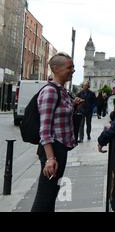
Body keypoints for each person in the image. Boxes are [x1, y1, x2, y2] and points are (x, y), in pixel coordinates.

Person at [31, 53, 83, 212]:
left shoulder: (62, 91)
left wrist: (73, 106)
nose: (73, 70)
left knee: (51, 194)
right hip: (53, 151)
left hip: (60, 149)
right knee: (44, 199)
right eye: (70, 67)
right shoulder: (51, 92)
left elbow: (59, 118)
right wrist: (50, 159)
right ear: (56, 68)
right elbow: (45, 129)